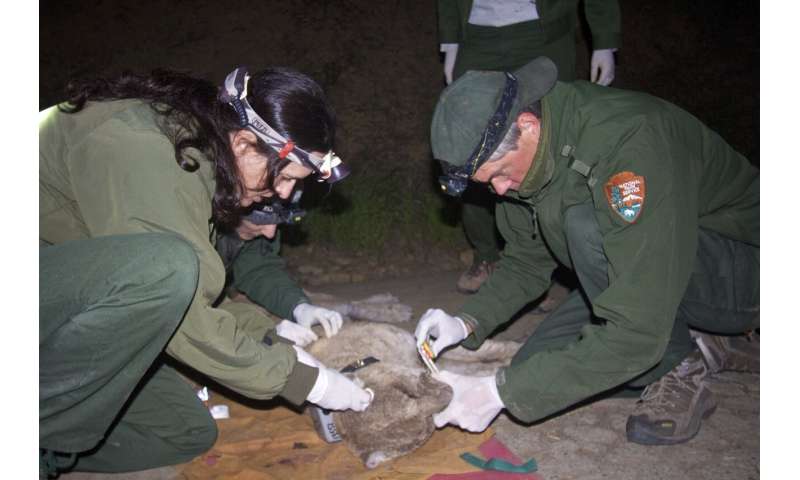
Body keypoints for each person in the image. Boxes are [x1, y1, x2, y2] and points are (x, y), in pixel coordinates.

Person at [39, 66, 372, 477]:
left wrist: (270, 333)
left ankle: (51, 447)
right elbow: (174, 297)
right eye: (284, 176)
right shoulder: (145, 148)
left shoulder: (199, 163)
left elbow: (194, 296)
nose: (284, 193)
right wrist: (308, 382)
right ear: (245, 142)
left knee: (184, 432)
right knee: (165, 268)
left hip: (60, 295)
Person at [415, 57, 759, 445]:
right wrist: (466, 323)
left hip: (742, 273)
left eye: (499, 174)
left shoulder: (631, 144)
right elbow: (527, 263)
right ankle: (707, 340)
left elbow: (636, 333)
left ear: (526, 126)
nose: (497, 190)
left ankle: (680, 367)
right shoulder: (526, 160)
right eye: (487, 181)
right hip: (648, 265)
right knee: (531, 371)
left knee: (585, 230)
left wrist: (498, 393)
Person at [437, 0, 621, 294]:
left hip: (542, 31)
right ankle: (487, 256)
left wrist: (605, 39)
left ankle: (566, 265)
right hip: (477, 35)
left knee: (555, 139)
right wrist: (450, 40)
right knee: (472, 150)